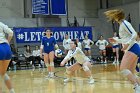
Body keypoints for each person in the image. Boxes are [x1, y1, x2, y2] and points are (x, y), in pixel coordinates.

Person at [105, 9, 140, 93]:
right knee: (131, 72)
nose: (113, 18)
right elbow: (126, 38)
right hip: (133, 48)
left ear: (117, 16)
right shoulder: (121, 25)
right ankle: (138, 87)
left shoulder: (125, 23)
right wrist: (116, 40)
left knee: (123, 69)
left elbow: (134, 34)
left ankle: (137, 87)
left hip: (133, 48)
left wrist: (127, 44)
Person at [0, 22, 15, 93]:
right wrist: (8, 42)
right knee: (2, 73)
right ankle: (12, 91)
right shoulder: (0, 23)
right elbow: (11, 32)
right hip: (6, 48)